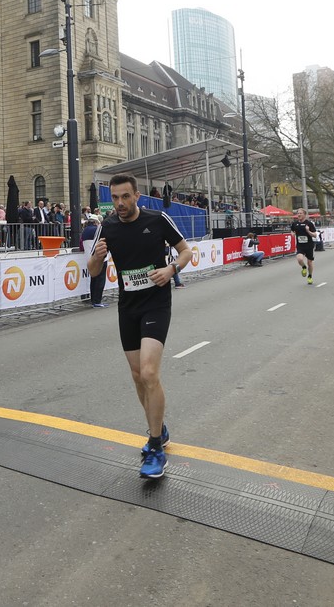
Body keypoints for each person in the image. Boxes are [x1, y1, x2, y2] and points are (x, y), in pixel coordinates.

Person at [88, 173, 191, 479]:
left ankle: (156, 446)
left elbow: (186, 251)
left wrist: (171, 269)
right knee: (137, 376)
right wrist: (98, 257)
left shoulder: (156, 220)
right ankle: (158, 427)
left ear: (137, 196)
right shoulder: (107, 227)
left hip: (156, 303)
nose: (119, 203)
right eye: (115, 198)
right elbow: (93, 270)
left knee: (148, 372)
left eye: (125, 196)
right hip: (128, 306)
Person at [79, 214, 107, 307]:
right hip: (100, 257)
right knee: (100, 280)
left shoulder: (84, 231)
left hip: (90, 259)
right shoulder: (98, 229)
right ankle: (97, 301)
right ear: (96, 222)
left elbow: (81, 245)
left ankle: (93, 300)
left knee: (94, 279)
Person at [290, 208, 318, 285]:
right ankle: (304, 267)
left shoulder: (309, 224)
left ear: (304, 215)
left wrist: (308, 231)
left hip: (309, 246)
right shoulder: (295, 224)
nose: (299, 215)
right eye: (298, 213)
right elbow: (292, 230)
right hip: (300, 246)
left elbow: (315, 235)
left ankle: (310, 276)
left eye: (300, 213)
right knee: (299, 259)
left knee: (309, 262)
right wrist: (292, 234)